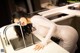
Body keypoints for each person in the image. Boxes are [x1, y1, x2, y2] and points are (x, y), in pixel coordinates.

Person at [12, 11, 78, 53]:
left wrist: (44, 42)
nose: (20, 23)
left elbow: (53, 26)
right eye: (18, 23)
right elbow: (43, 29)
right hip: (66, 33)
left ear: (22, 16)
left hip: (68, 34)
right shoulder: (33, 21)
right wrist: (33, 33)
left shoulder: (35, 19)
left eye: (19, 20)